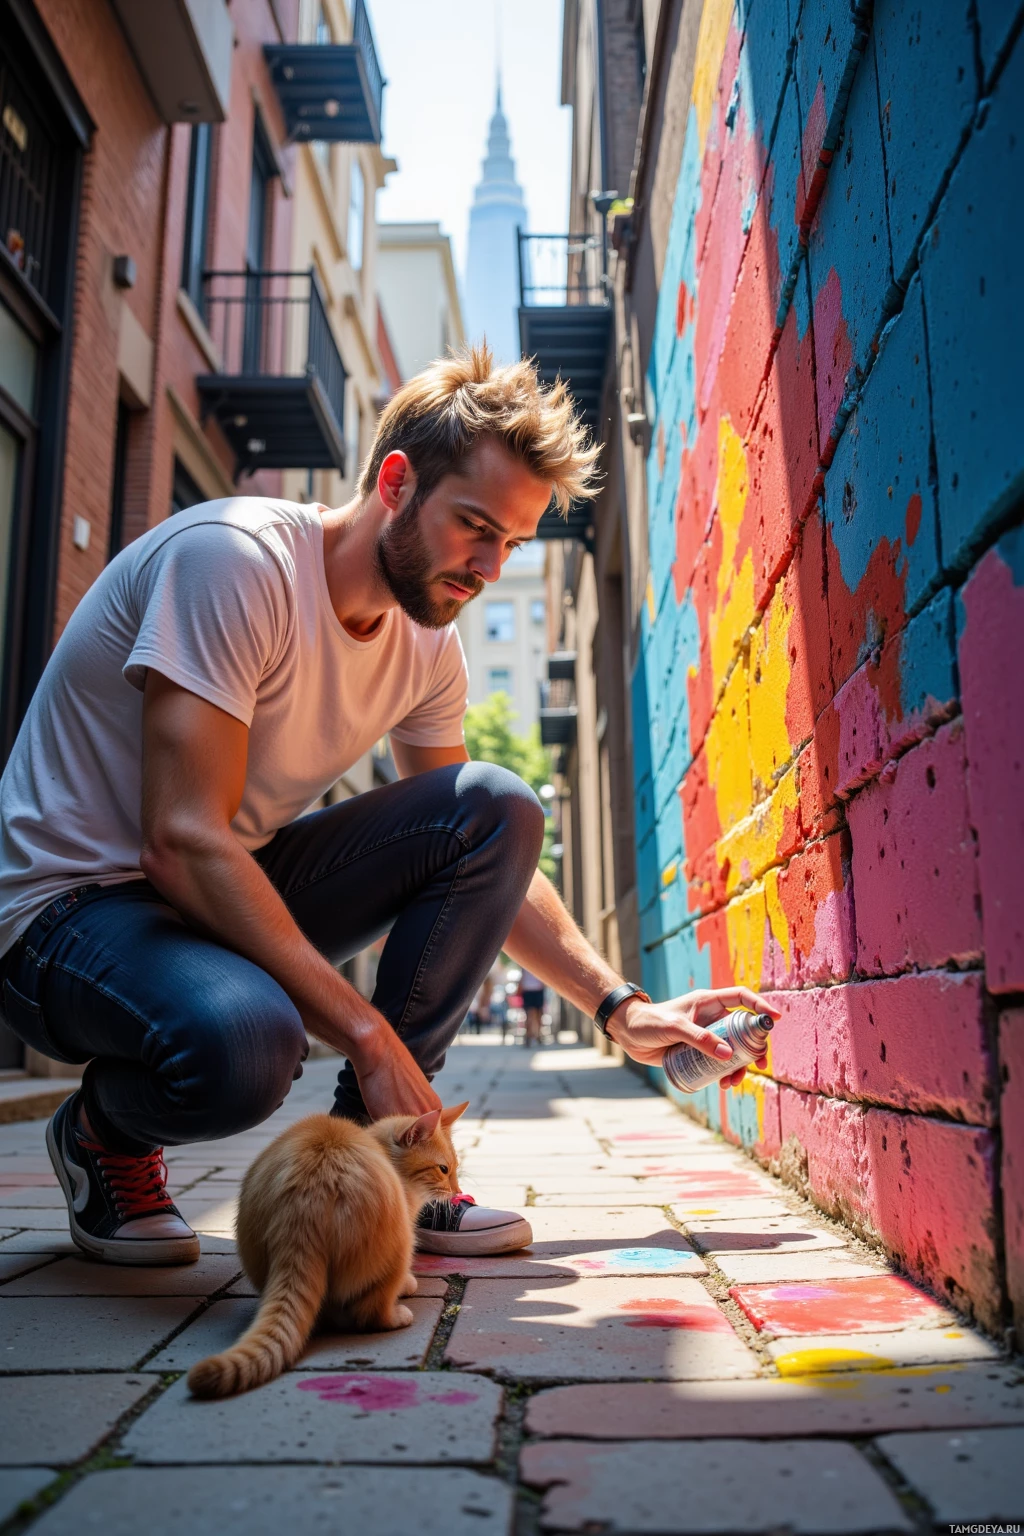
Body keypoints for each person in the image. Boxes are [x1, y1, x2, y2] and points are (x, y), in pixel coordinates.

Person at [0, 346, 778, 1268]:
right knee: (251, 1043)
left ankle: (385, 1163)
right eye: (473, 526)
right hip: (62, 916)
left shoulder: (426, 646)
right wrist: (365, 1031)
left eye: (512, 545)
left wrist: (619, 1009)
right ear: (398, 482)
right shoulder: (233, 562)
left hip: (206, 894)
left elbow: (482, 855)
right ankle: (102, 1136)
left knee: (496, 804)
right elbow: (181, 838)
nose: (488, 566)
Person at [520, 966, 544, 1046]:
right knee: (532, 1015)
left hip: (535, 989)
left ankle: (536, 1035)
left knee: (537, 1015)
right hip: (529, 990)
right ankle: (530, 1035)